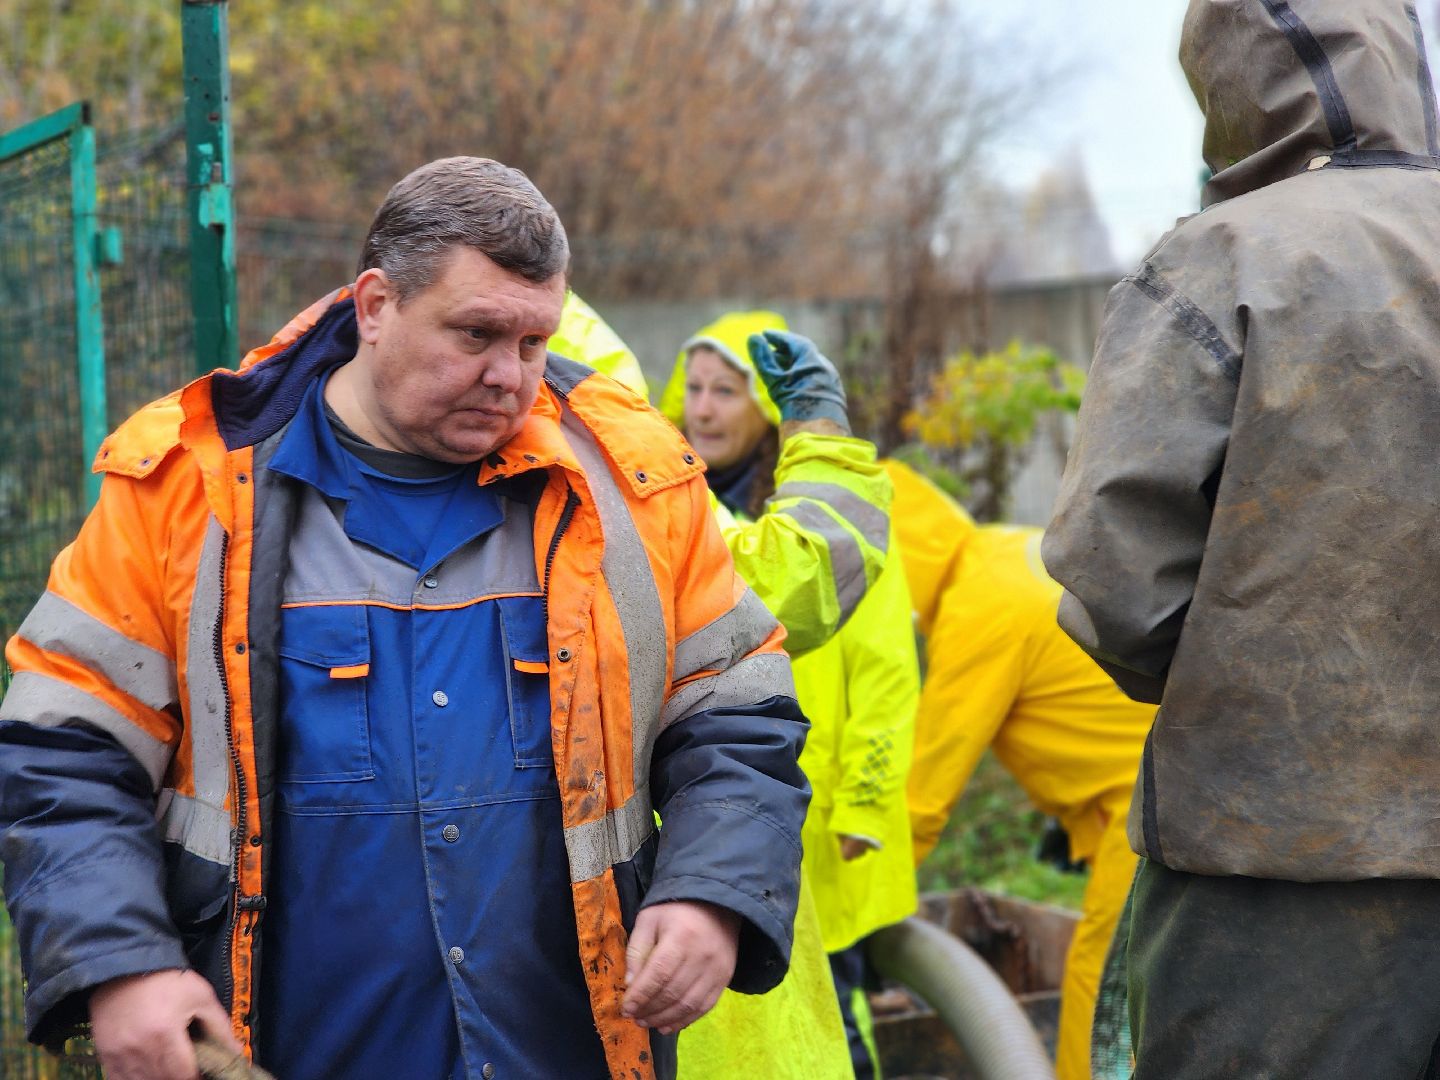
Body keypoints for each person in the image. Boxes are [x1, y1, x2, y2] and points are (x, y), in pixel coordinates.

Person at [0, 157, 815, 1080]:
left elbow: (739, 719)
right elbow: (64, 752)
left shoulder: (630, 489)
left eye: (534, 342)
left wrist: (715, 892)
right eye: (476, 333)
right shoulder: (186, 494)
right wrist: (122, 965)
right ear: (377, 305)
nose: (510, 376)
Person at [1042, 2, 1440, 1076]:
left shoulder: (1229, 256)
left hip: (1278, 878)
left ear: (1230, 78)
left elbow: (1117, 572)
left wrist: (1244, 677)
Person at [661, 311, 918, 1079]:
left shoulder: (831, 519)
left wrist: (866, 807)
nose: (703, 408)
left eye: (726, 392)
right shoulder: (681, 501)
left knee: (828, 1009)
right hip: (742, 808)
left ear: (767, 409)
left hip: (826, 812)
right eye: (694, 388)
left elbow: (885, 669)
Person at [885, 459, 1152, 1080]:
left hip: (1144, 815)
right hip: (1163, 789)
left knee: (1102, 998)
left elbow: (923, 803)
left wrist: (864, 901)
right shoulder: (998, 551)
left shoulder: (977, 614)